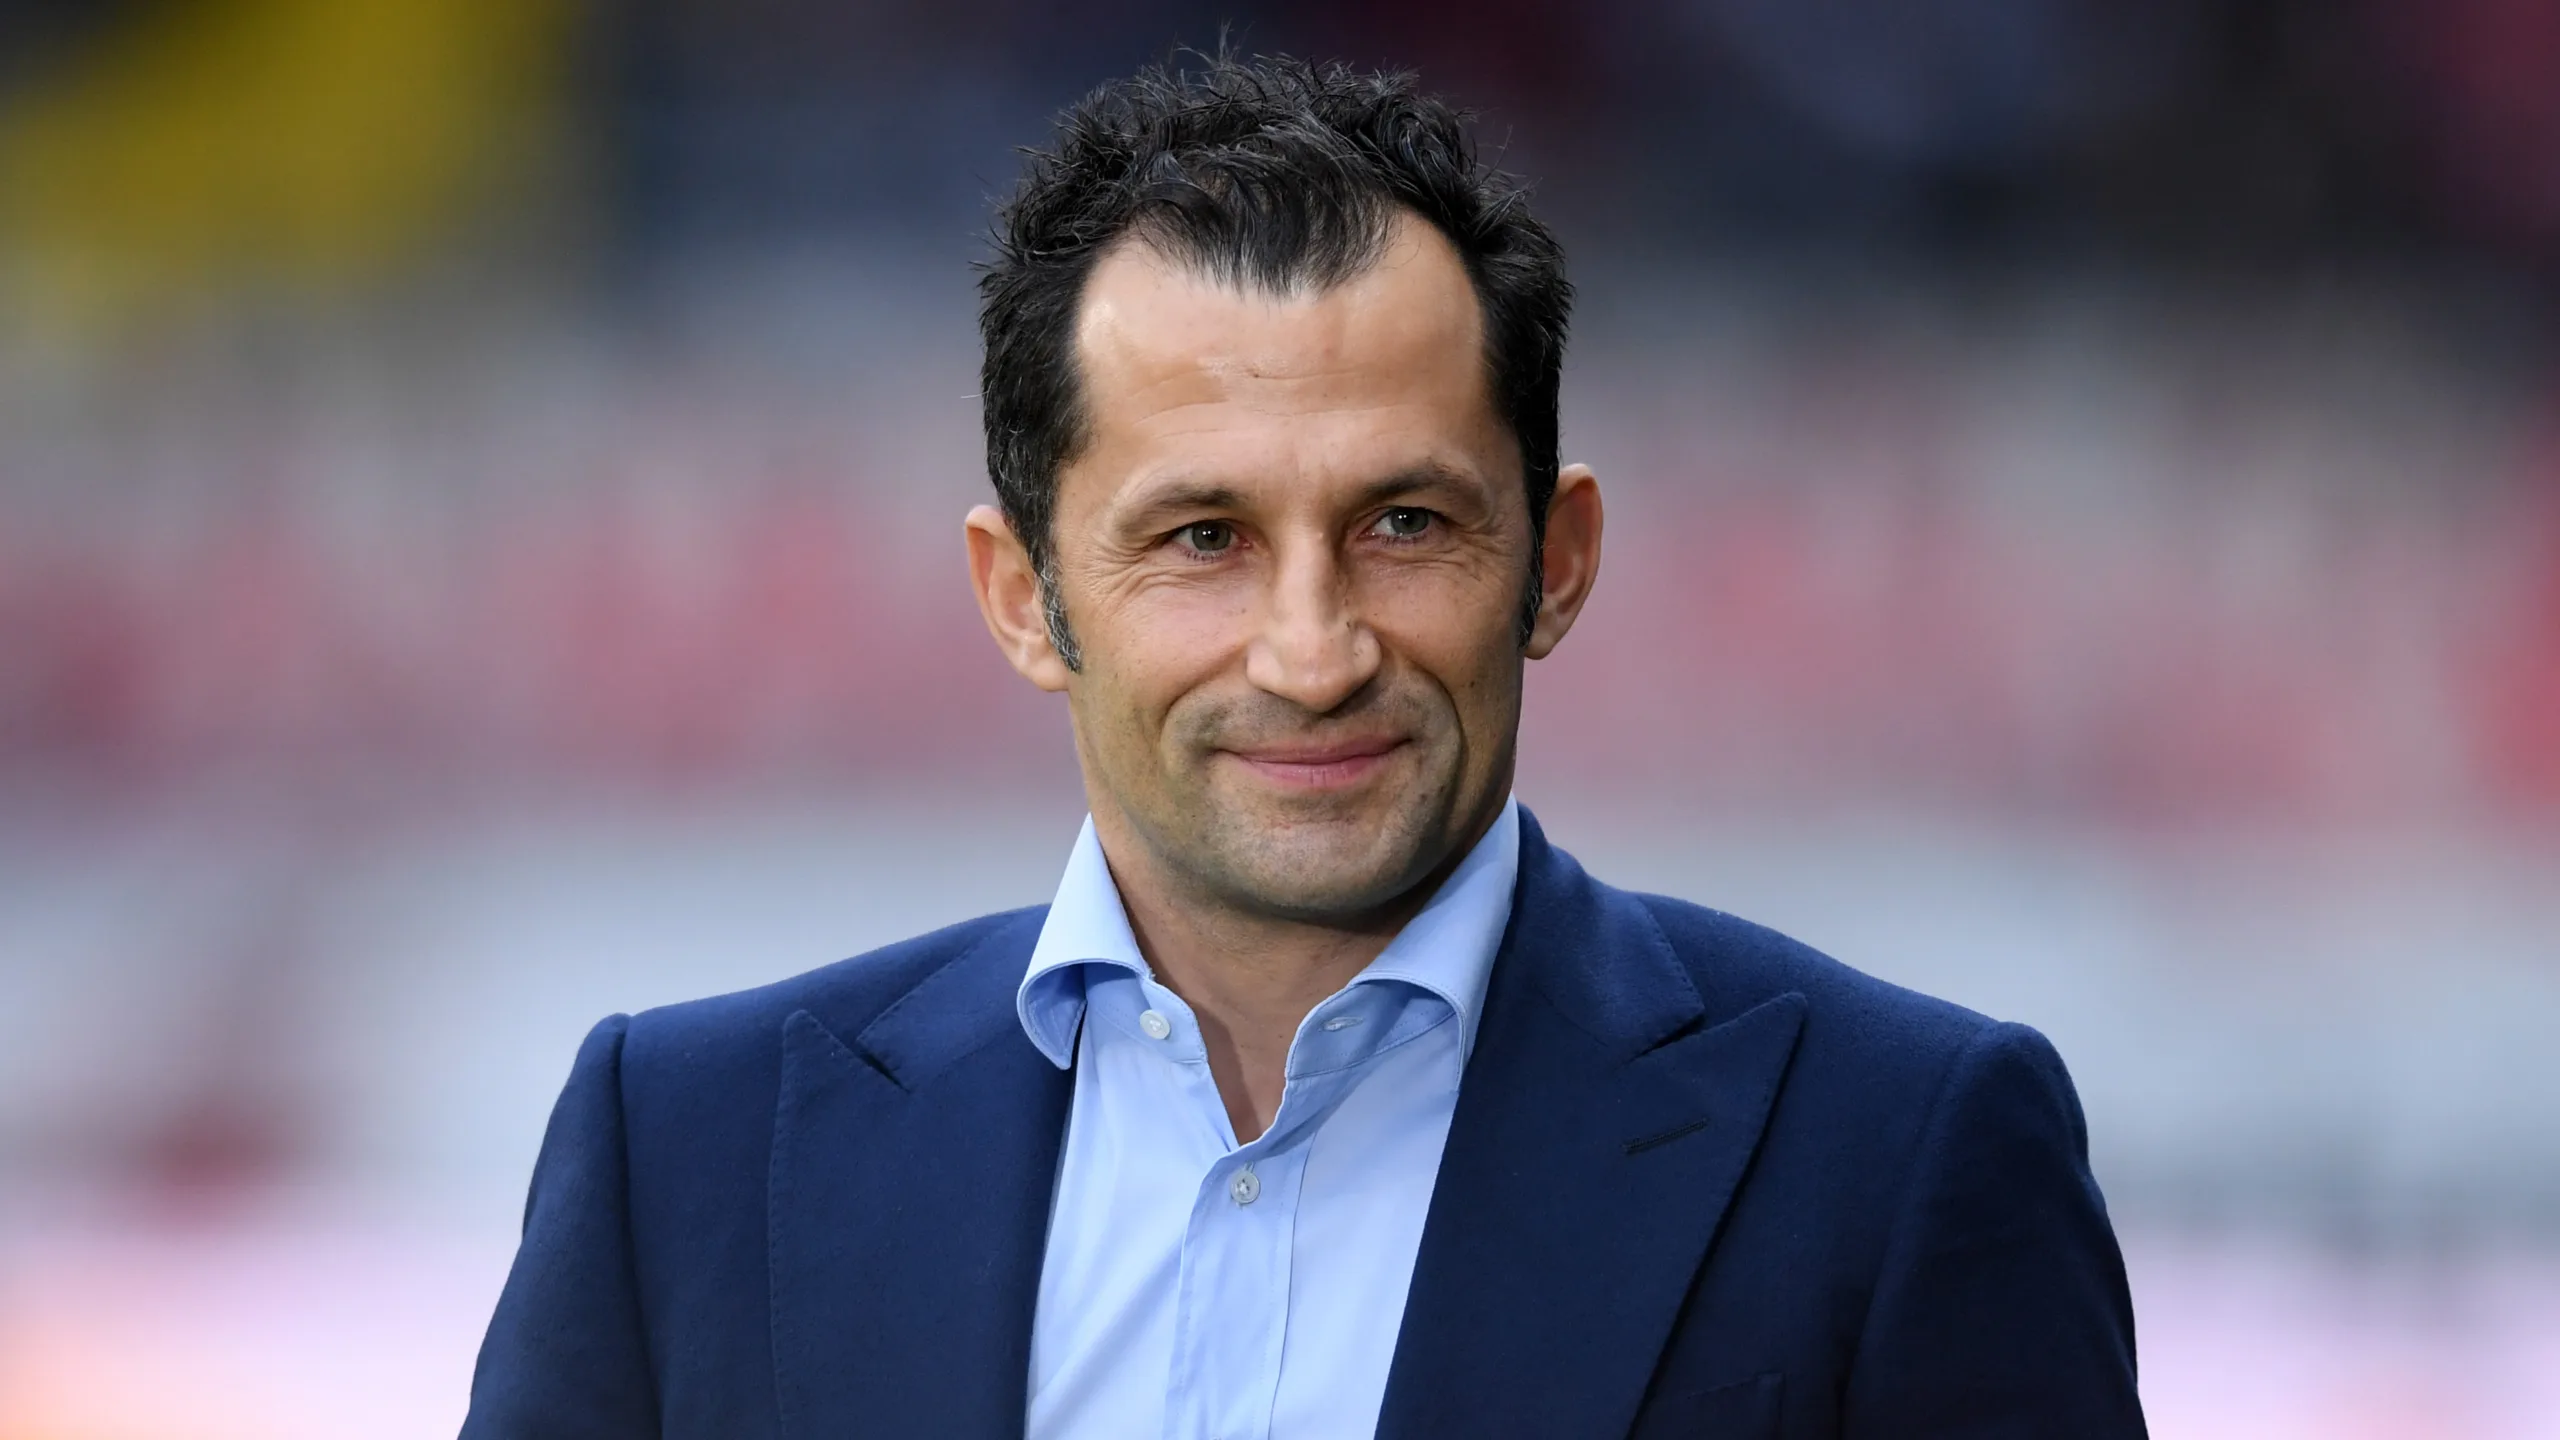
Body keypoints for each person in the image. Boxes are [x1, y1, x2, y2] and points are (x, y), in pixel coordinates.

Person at [460, 53, 2145, 1440]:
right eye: (1201, 537)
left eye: (1404, 522)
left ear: (1555, 563)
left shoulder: (1902, 1149)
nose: (1312, 650)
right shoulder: (682, 1156)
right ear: (1023, 595)